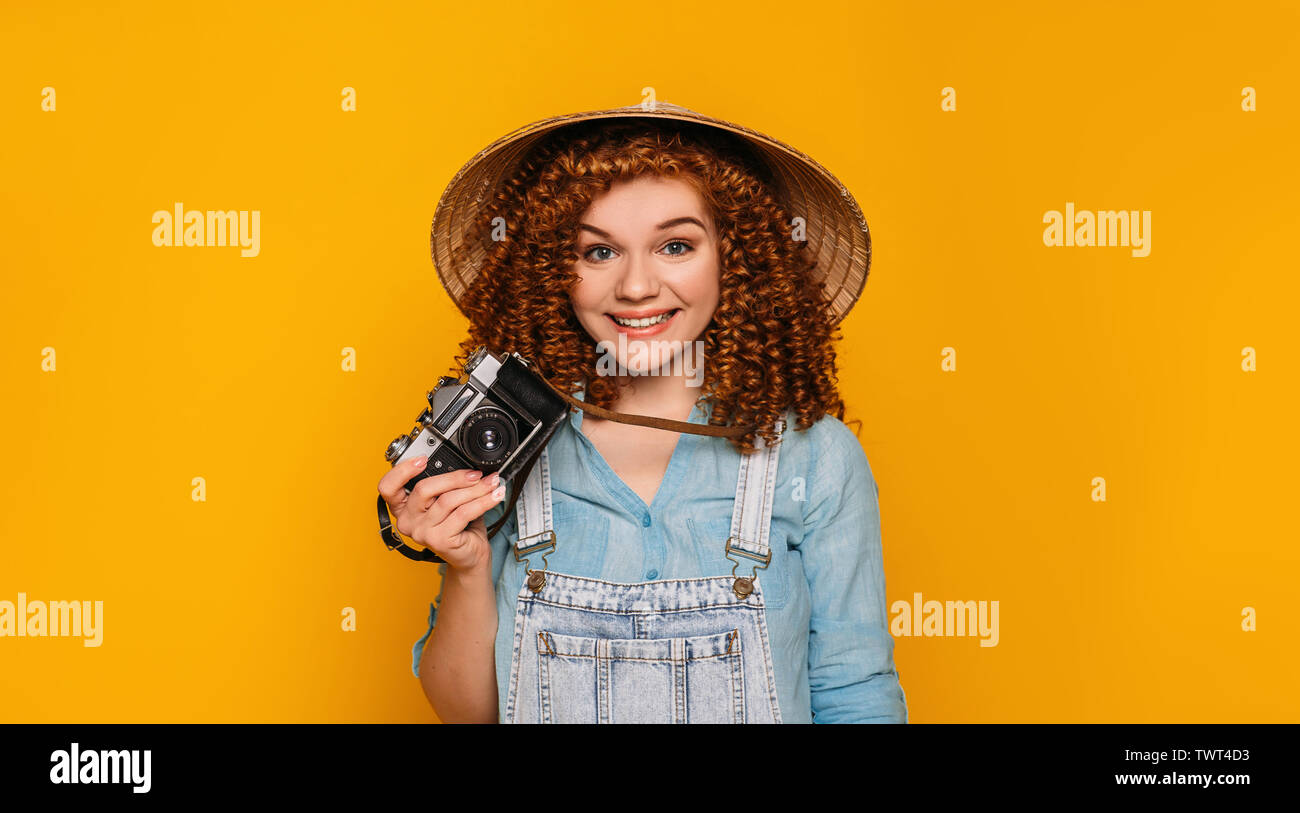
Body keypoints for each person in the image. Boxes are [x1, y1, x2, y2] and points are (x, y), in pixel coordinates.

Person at [378, 102, 908, 723]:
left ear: (735, 259)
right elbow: (471, 715)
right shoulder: (509, 444)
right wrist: (466, 568)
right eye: (598, 253)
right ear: (554, 270)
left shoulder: (815, 457)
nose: (635, 287)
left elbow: (855, 694)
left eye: (675, 245)